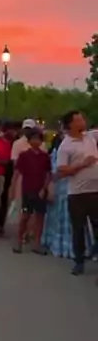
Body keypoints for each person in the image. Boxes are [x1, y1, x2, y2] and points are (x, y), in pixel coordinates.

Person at [56, 110, 98, 276]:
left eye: (82, 118)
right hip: (78, 193)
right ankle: (79, 261)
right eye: (79, 120)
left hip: (95, 191)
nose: (83, 121)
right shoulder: (65, 146)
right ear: (70, 125)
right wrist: (83, 164)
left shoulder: (91, 137)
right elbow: (62, 171)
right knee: (78, 228)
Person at [10, 130, 51, 254]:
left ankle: (37, 243)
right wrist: (12, 188)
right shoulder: (24, 156)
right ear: (29, 141)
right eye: (33, 139)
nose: (36, 141)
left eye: (38, 139)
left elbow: (48, 174)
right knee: (25, 216)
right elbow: (17, 172)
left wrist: (45, 188)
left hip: (40, 190)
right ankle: (19, 241)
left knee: (39, 217)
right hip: (27, 190)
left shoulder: (45, 157)